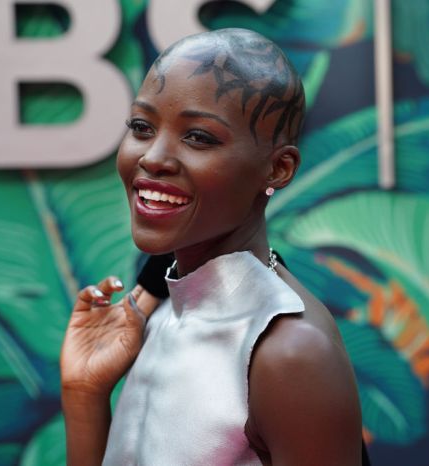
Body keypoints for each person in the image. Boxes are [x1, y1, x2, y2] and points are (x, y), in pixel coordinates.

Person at [60, 28, 365, 465]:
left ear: (278, 169)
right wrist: (85, 393)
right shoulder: (161, 312)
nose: (153, 158)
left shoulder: (289, 352)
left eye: (198, 137)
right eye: (142, 127)